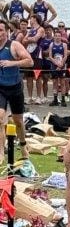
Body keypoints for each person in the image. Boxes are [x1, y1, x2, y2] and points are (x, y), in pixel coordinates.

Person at [0, 20, 34, 165]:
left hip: (14, 87)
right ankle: (1, 152)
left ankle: (22, 145)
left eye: (1, 30)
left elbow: (30, 61)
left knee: (18, 121)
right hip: (0, 88)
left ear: (6, 31)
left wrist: (12, 63)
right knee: (0, 118)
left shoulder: (14, 45)